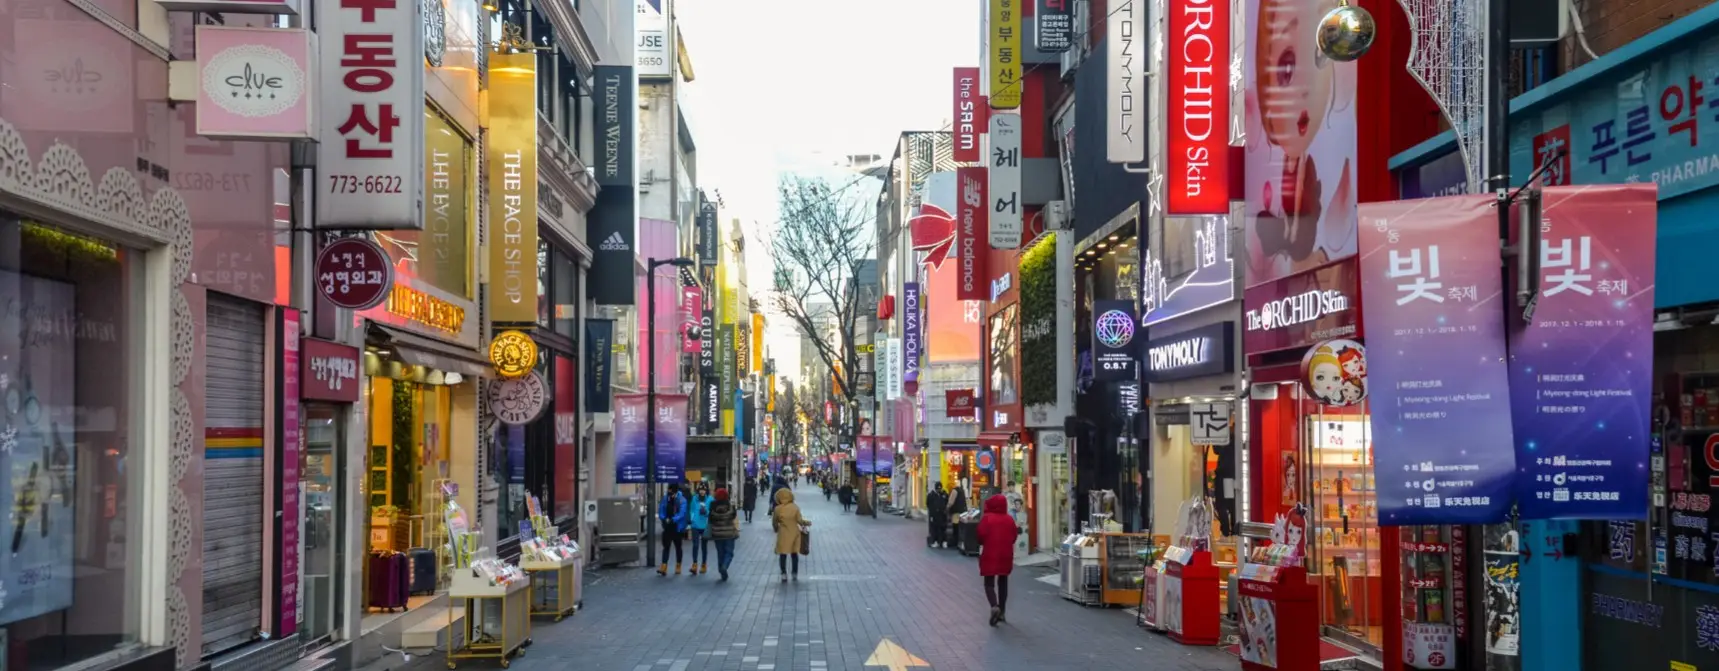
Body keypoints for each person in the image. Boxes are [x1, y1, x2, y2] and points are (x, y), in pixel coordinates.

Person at [976, 493, 1019, 625]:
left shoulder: (987, 518)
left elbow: (980, 536)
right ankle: (1003, 611)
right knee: (1003, 581)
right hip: (1005, 554)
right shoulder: (1009, 519)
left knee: (989, 583)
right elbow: (1014, 536)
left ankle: (994, 606)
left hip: (990, 553)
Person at [771, 488, 810, 582]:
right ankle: (794, 573)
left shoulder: (777, 509)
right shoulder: (795, 507)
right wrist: (806, 522)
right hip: (794, 533)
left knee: (783, 554)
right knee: (794, 553)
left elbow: (774, 522)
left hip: (783, 533)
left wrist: (776, 529)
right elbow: (799, 520)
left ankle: (783, 573)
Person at [708, 487, 741, 581]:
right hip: (729, 533)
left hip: (717, 534)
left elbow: (710, 519)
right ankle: (725, 566)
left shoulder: (712, 507)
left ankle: (721, 570)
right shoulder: (730, 506)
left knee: (720, 552)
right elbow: (733, 516)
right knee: (729, 552)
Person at [657, 483, 690, 575]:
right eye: (669, 492)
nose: (670, 494)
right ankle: (664, 566)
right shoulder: (665, 498)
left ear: (675, 492)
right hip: (668, 526)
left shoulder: (682, 500)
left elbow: (682, 513)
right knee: (666, 546)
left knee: (678, 547)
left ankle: (678, 566)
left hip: (677, 527)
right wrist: (663, 518)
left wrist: (673, 519)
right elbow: (661, 509)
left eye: (671, 493)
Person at [687, 483, 714, 575]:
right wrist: (692, 519)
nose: (702, 491)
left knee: (704, 546)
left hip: (705, 525)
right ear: (698, 490)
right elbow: (691, 509)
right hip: (695, 525)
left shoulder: (710, 500)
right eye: (701, 490)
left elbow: (713, 512)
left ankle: (704, 564)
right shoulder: (694, 498)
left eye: (704, 489)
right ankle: (694, 564)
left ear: (706, 490)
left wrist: (706, 512)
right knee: (695, 545)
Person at [926, 482, 950, 547]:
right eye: (938, 489)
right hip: (934, 515)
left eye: (940, 488)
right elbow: (928, 504)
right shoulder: (931, 495)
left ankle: (943, 541)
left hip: (942, 515)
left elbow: (947, 502)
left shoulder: (944, 494)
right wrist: (932, 512)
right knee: (934, 529)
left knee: (943, 528)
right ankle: (935, 541)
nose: (939, 490)